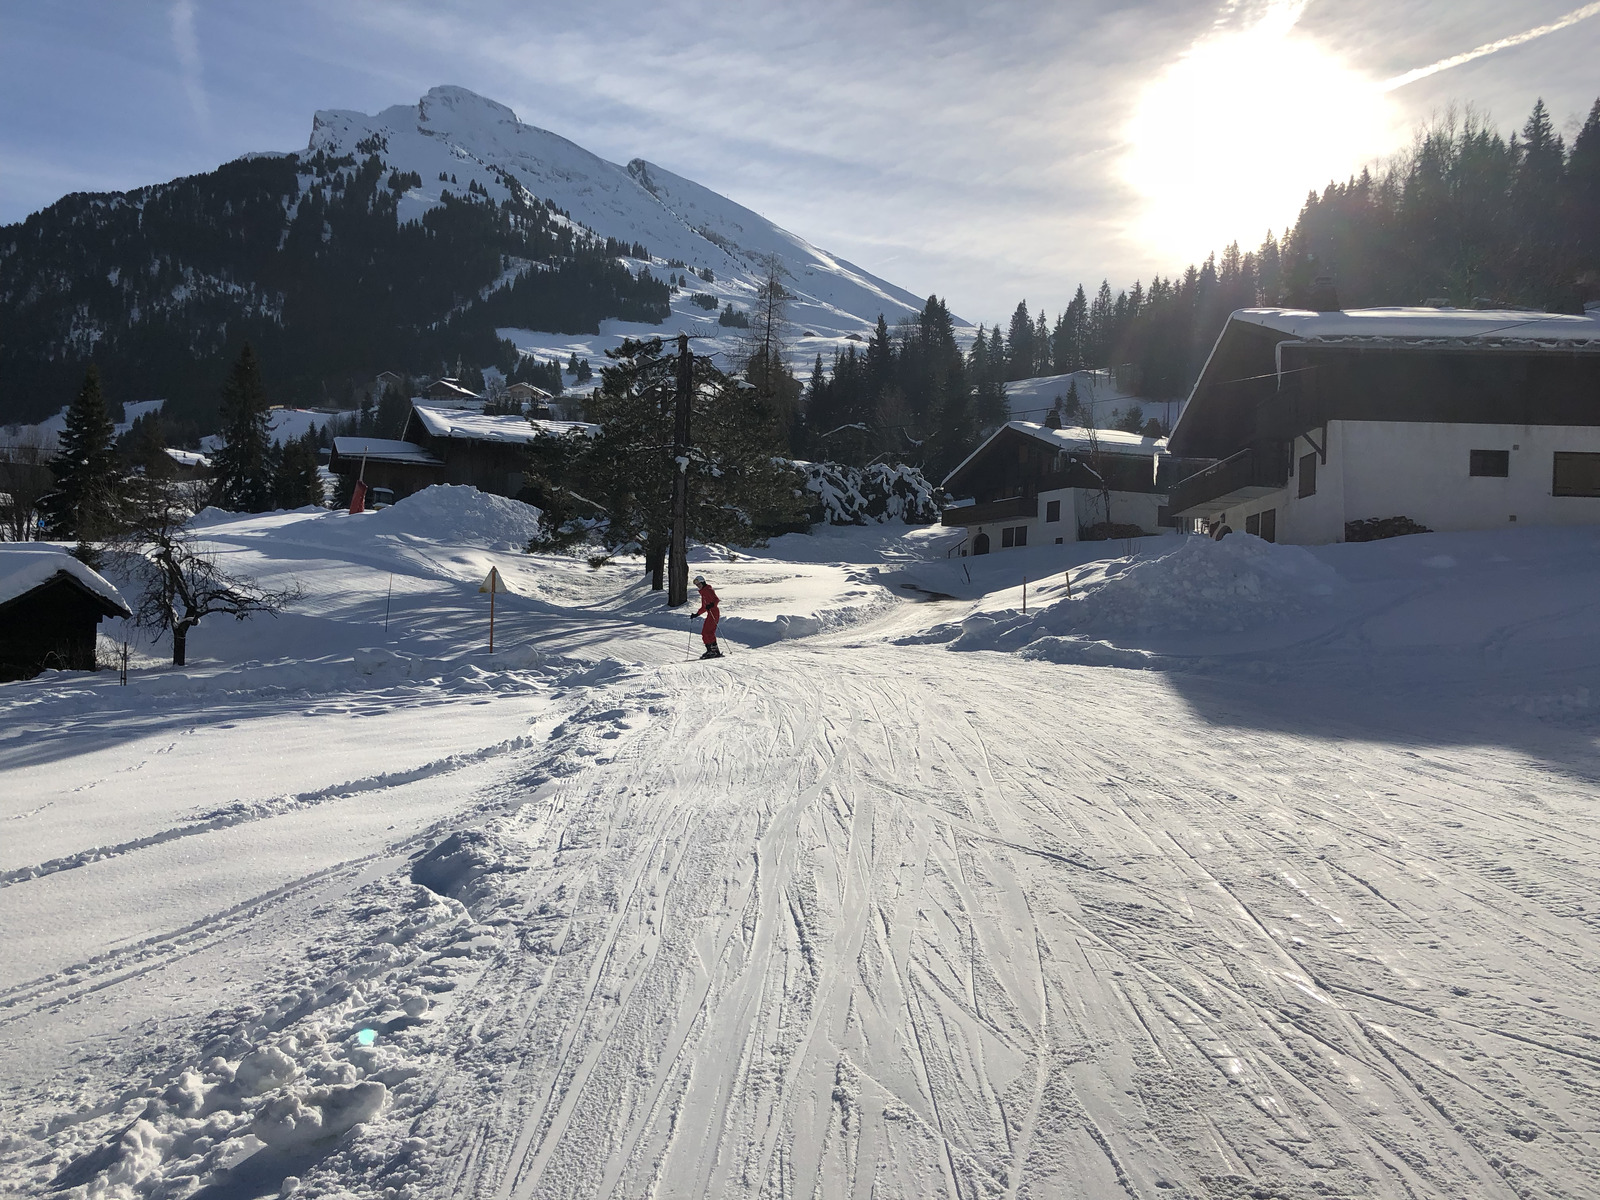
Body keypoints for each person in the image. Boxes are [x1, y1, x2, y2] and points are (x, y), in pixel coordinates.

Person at [690, 573, 721, 659]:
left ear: (703, 583)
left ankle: (714, 651)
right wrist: (697, 614)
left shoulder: (708, 590)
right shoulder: (703, 593)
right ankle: (710, 650)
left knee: (708, 632)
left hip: (714, 613)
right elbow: (704, 607)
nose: (698, 586)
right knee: (704, 632)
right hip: (710, 613)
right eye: (697, 585)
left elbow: (716, 600)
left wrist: (711, 605)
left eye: (699, 584)